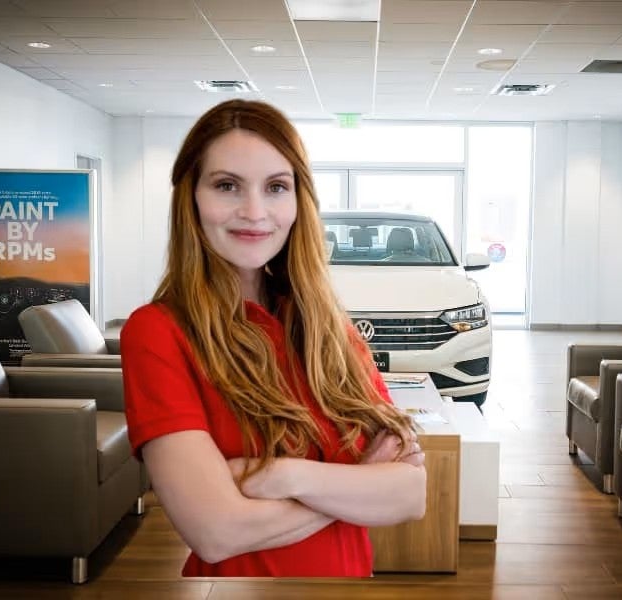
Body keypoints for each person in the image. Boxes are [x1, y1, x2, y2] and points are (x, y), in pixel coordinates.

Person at [120, 99, 427, 577]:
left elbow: (411, 494)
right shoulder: (158, 332)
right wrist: (358, 485)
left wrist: (286, 475)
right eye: (227, 185)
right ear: (191, 198)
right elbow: (216, 532)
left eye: (276, 187)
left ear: (298, 201)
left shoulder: (327, 328)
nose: (254, 211)